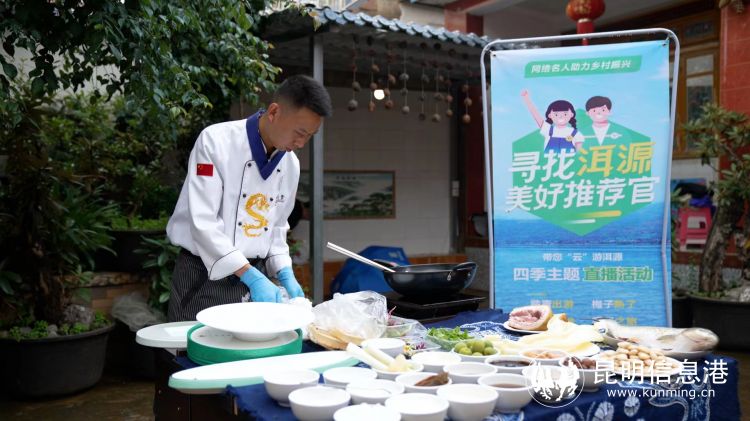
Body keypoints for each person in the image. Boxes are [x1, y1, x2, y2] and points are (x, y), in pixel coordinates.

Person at [165, 75, 332, 321]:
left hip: (255, 275)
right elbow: (203, 223)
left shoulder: (290, 165)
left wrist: (284, 272)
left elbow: (277, 228)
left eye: (309, 136)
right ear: (274, 112)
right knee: (195, 343)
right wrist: (250, 276)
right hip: (202, 275)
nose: (301, 143)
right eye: (299, 132)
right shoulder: (216, 141)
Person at [520, 89, 584, 154]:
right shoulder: (548, 129)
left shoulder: (575, 133)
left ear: (572, 114)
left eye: (565, 114)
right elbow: (536, 115)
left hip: (568, 160)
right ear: (550, 115)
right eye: (556, 114)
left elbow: (578, 154)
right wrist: (526, 98)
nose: (560, 117)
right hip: (549, 160)